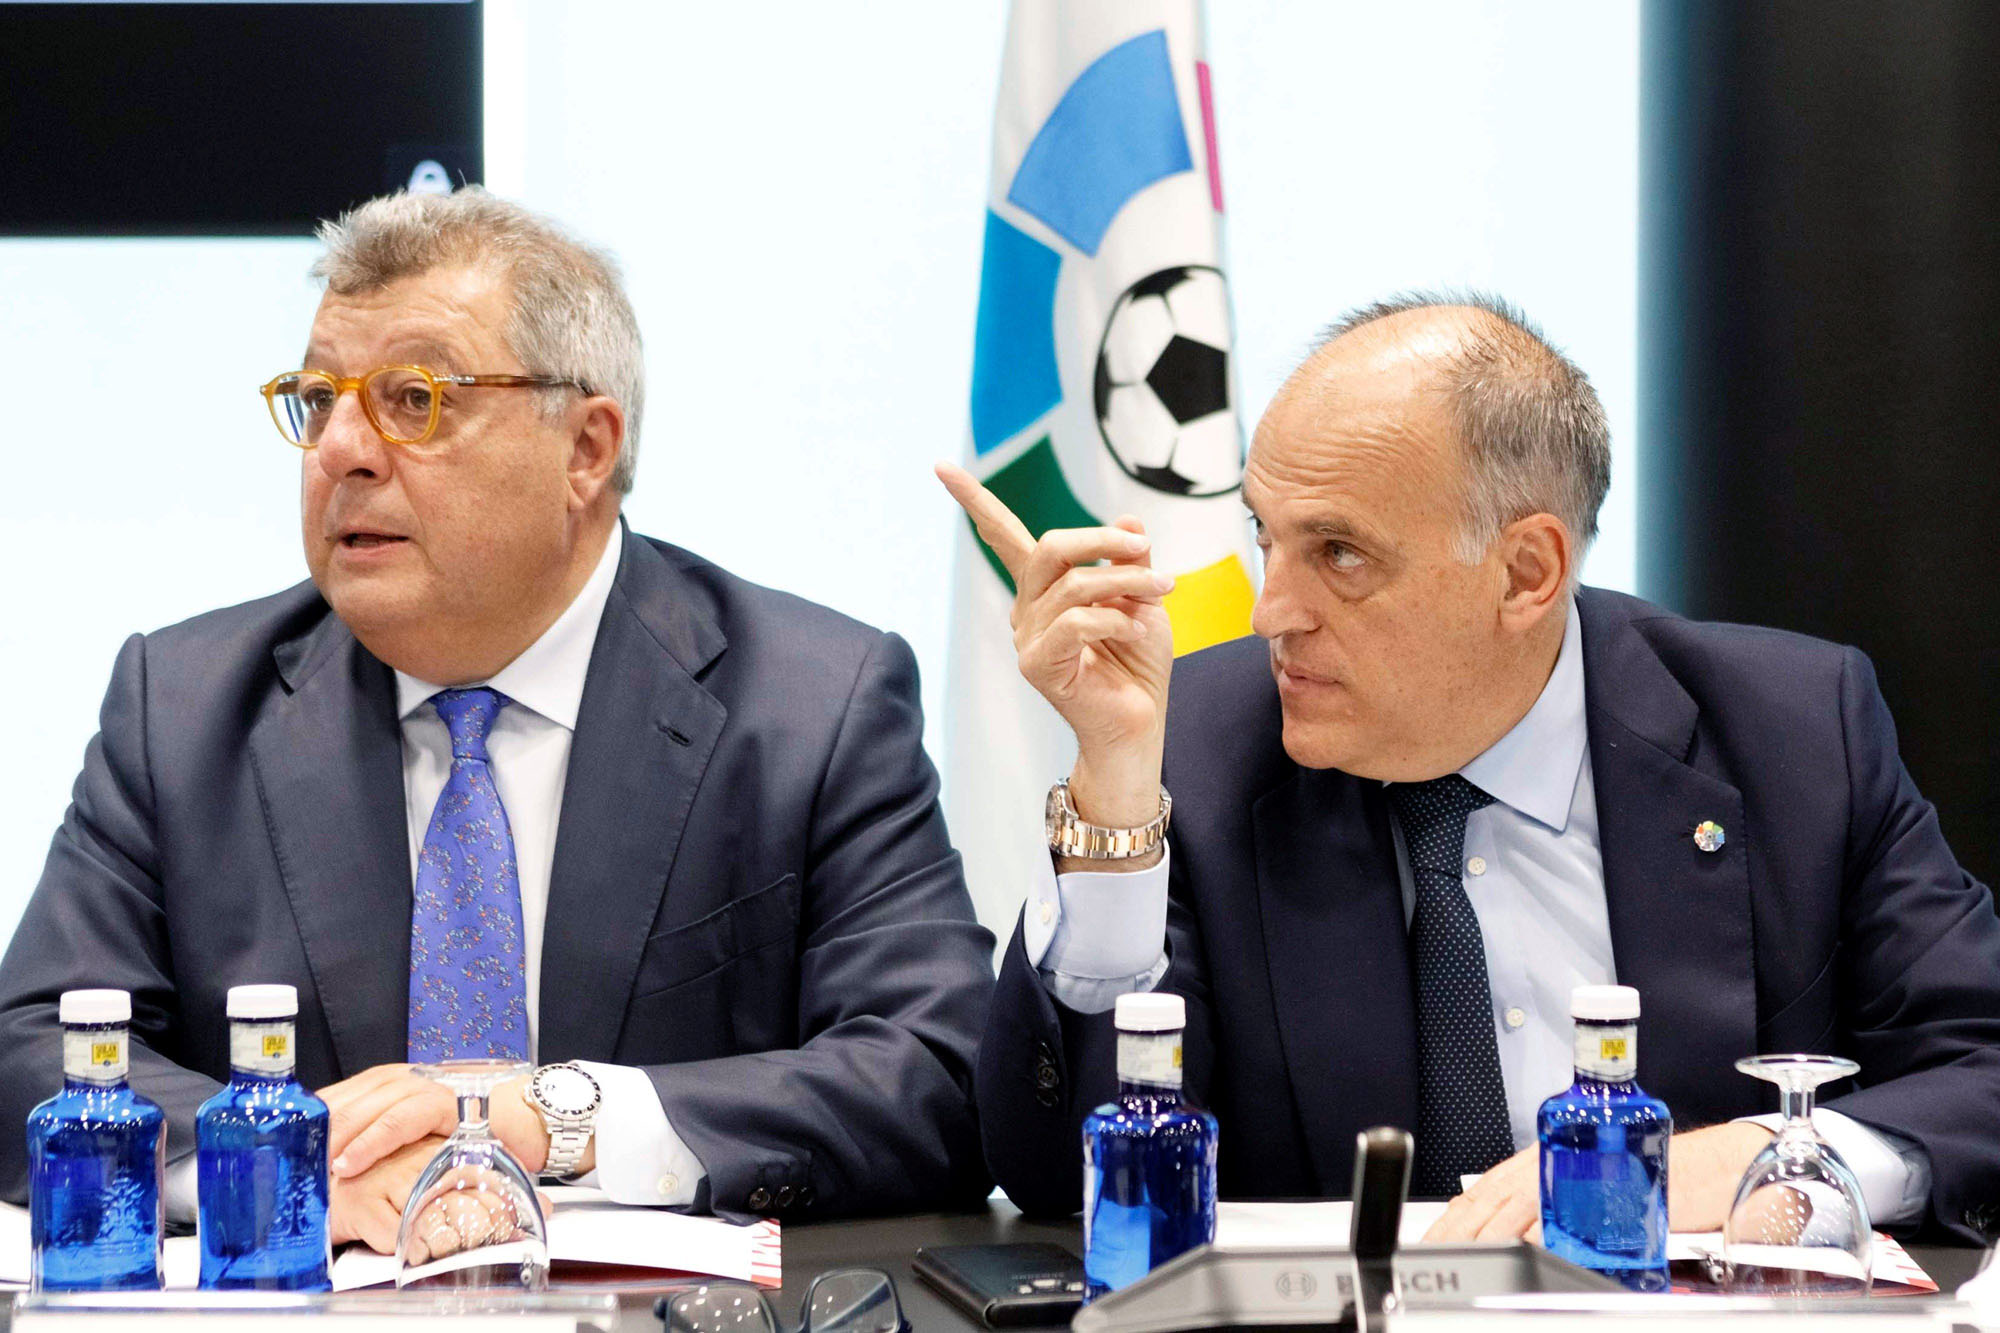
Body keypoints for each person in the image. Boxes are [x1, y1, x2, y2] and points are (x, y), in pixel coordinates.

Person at [0, 188, 995, 1252]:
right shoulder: (183, 707)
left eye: (413, 399)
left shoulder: (811, 704)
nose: (342, 449)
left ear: (586, 449)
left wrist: (552, 1118)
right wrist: (276, 1163)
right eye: (320, 399)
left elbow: (937, 1070)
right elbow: (30, 1045)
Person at [942, 292, 2000, 1244]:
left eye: (1339, 554)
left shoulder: (1791, 734)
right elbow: (1056, 1176)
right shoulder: (1202, 742)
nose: (1271, 612)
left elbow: (1980, 1069)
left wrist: (1758, 1162)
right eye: (1266, 537)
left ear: (1525, 572)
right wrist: (1115, 792)